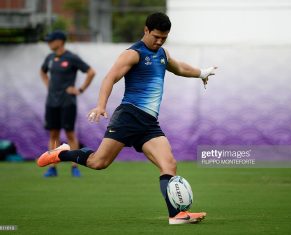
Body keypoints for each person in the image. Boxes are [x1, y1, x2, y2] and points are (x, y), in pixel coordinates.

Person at [37, 13, 216, 224]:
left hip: (149, 123)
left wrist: (202, 72)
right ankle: (63, 154)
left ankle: (176, 215)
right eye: (156, 36)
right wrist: (102, 105)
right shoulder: (133, 53)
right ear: (146, 30)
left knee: (169, 164)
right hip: (128, 116)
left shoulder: (162, 54)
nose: (159, 41)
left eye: (164, 38)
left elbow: (180, 68)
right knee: (98, 162)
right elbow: (109, 78)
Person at [40, 30, 96, 177]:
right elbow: (42, 71)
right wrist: (49, 86)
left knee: (70, 134)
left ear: (60, 41)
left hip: (67, 103)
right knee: (53, 134)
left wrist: (80, 89)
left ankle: (74, 166)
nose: (49, 43)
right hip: (52, 102)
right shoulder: (50, 58)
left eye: (51, 40)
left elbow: (91, 72)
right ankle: (52, 167)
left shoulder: (71, 57)